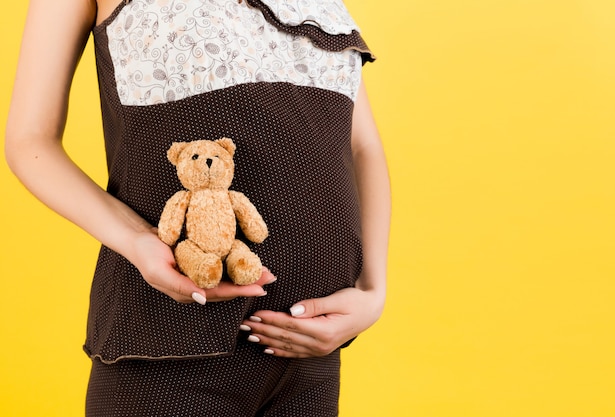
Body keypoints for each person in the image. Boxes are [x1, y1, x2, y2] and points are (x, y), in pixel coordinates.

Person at [5, 0, 390, 415]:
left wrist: (373, 290)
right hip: (170, 350)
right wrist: (137, 241)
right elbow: (30, 141)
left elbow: (361, 145)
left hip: (309, 359)